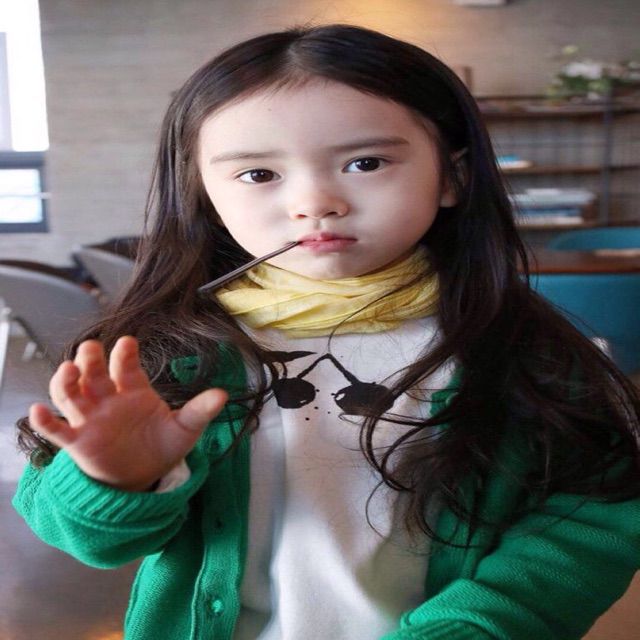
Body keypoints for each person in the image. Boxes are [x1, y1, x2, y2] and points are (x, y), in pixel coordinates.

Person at [13, 24, 640, 640]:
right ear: (202, 192)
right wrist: (115, 480)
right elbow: (85, 538)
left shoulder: (523, 349)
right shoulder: (171, 350)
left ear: (453, 177)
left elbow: (593, 518)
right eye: (259, 174)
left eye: (365, 162)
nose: (315, 203)